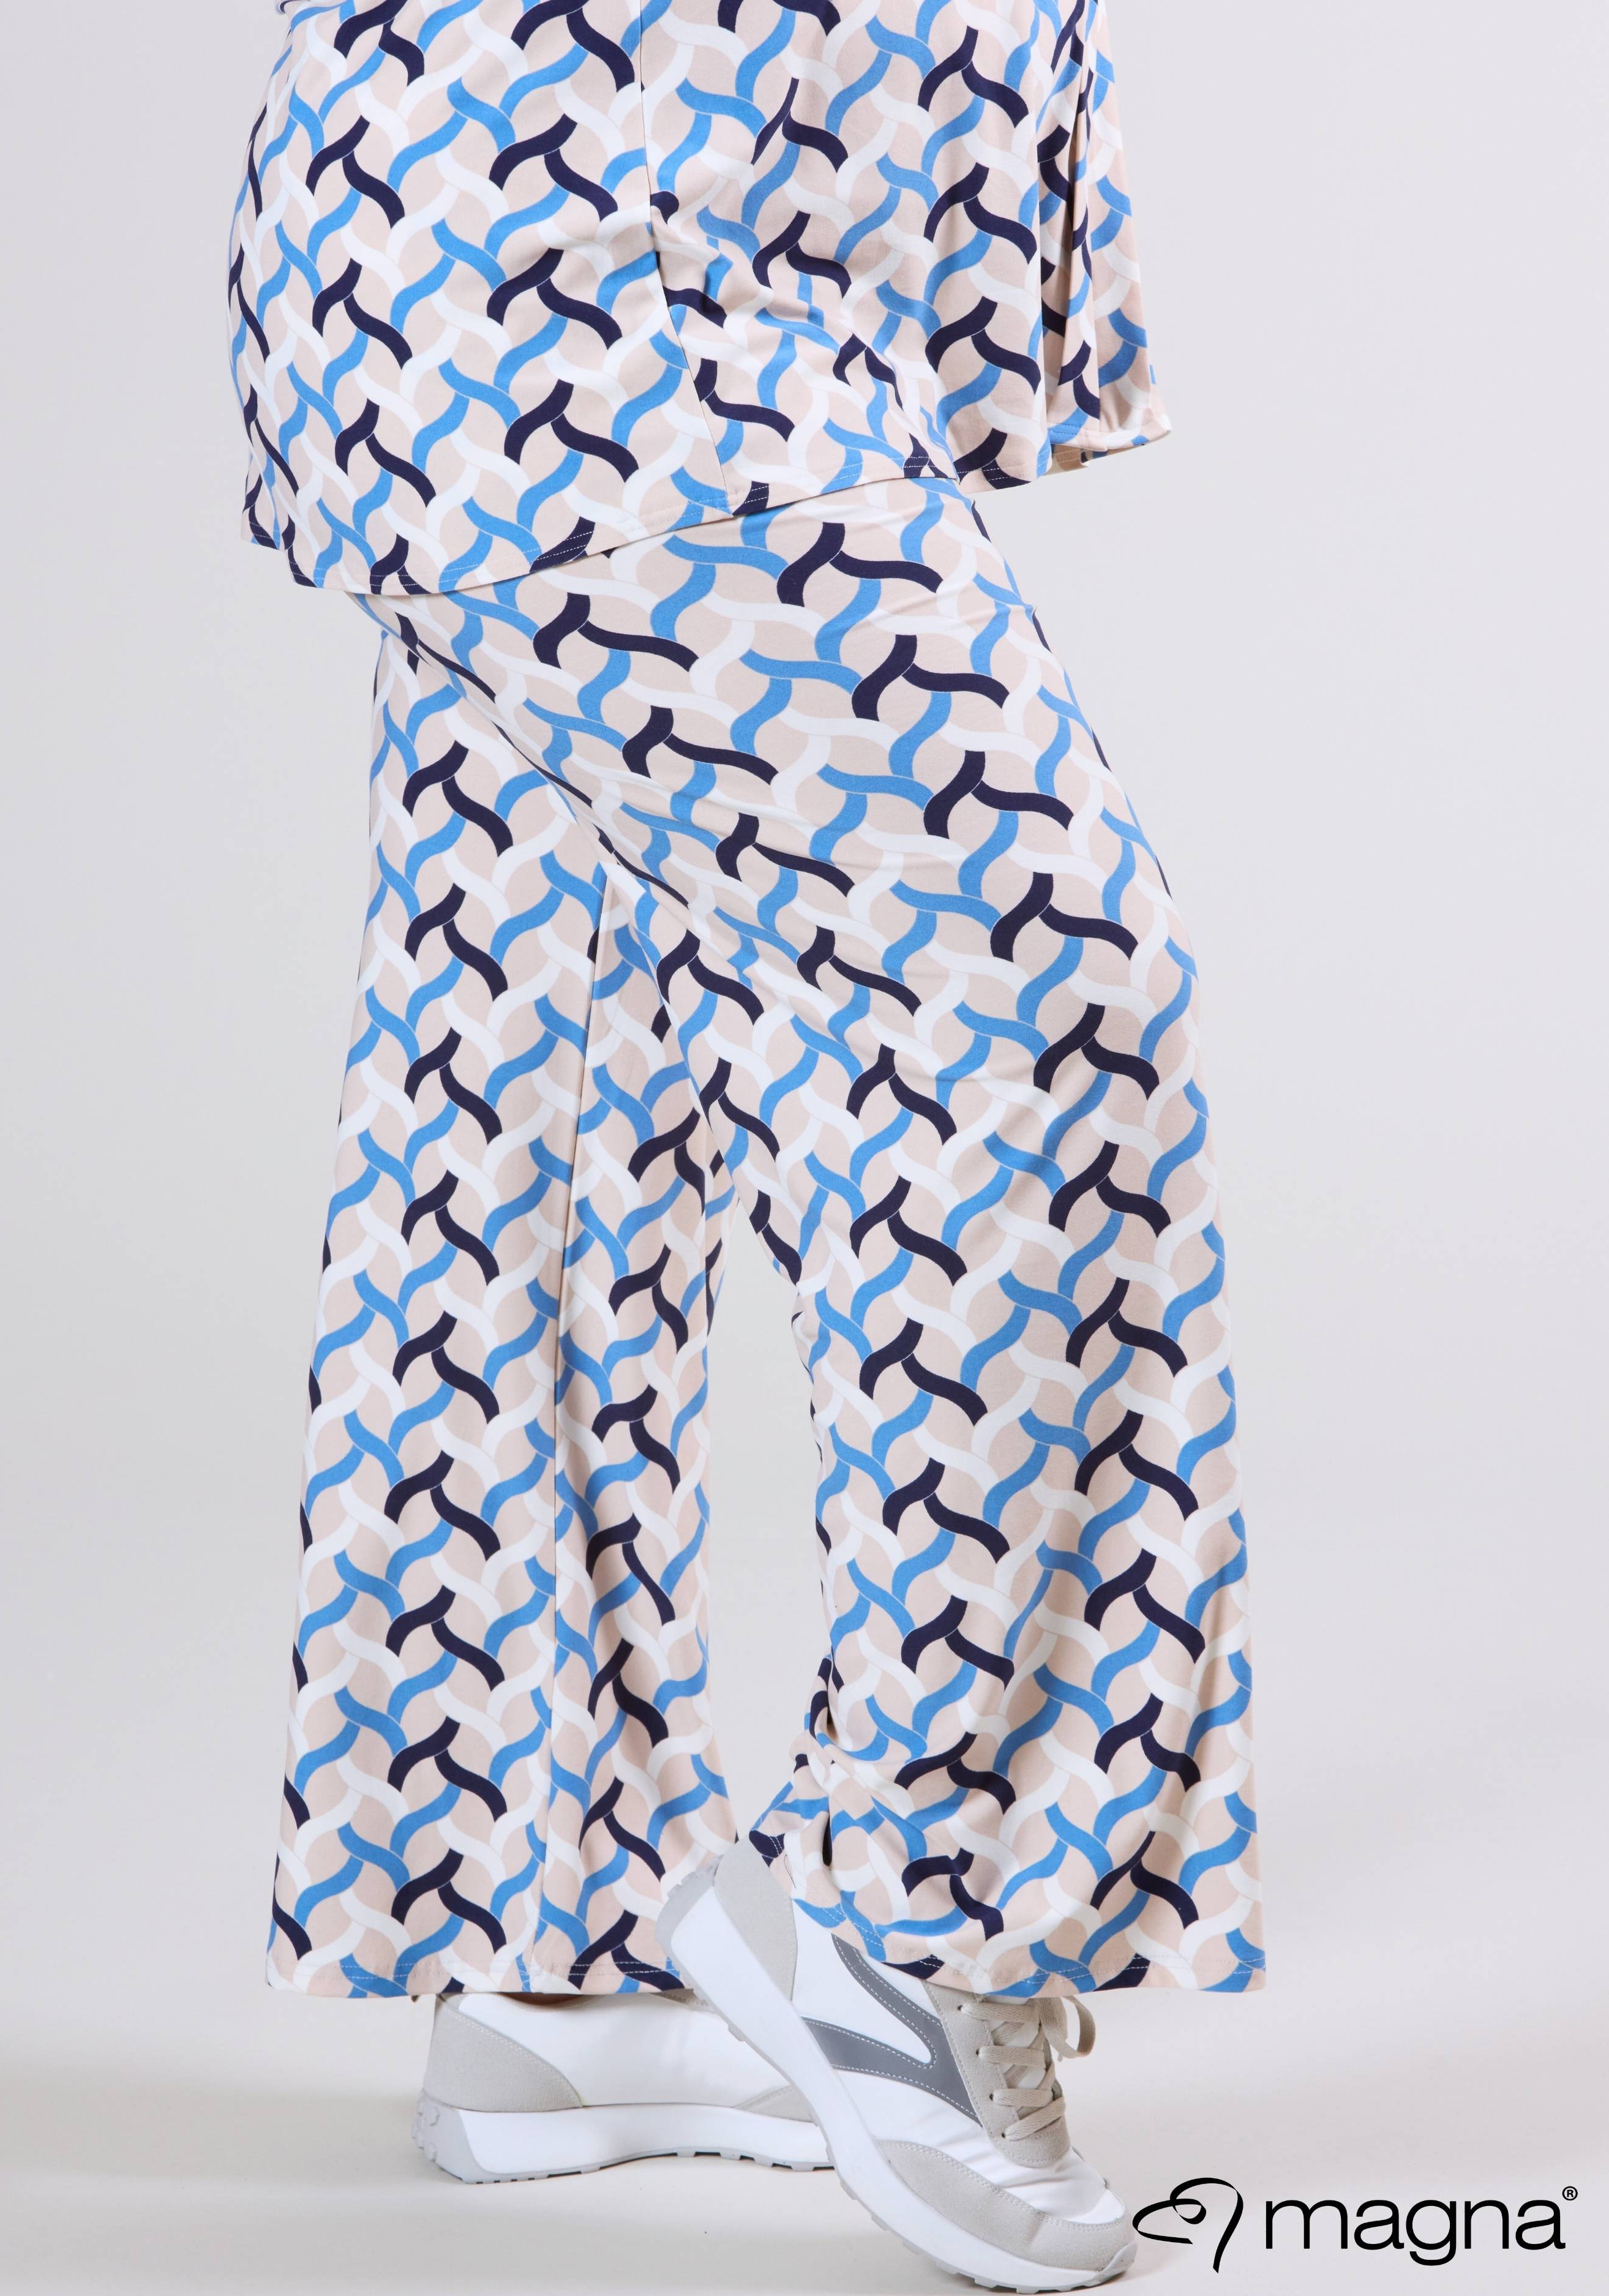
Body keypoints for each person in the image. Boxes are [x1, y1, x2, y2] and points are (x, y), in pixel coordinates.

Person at [228, 4, 1261, 2287]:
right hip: (583, 254)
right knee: (1043, 1001)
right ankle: (922, 1905)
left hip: (683, 238)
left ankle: (551, 1948)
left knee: (556, 1063)